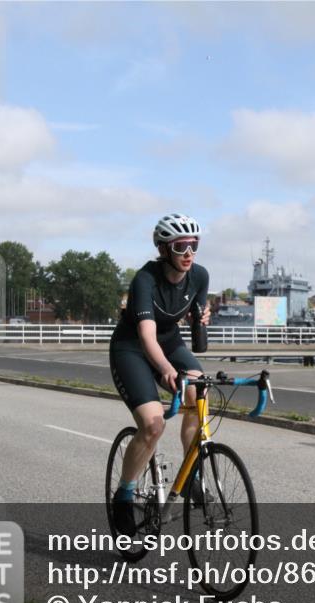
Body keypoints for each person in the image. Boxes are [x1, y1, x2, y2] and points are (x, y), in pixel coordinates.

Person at [109, 214, 210, 536]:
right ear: (164, 249)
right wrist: (166, 369)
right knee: (153, 425)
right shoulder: (145, 280)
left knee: (199, 390)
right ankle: (124, 495)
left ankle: (190, 474)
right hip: (133, 348)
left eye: (194, 245)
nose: (189, 253)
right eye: (181, 246)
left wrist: (202, 318)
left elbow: (195, 323)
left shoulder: (200, 276)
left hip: (170, 342)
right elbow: (147, 337)